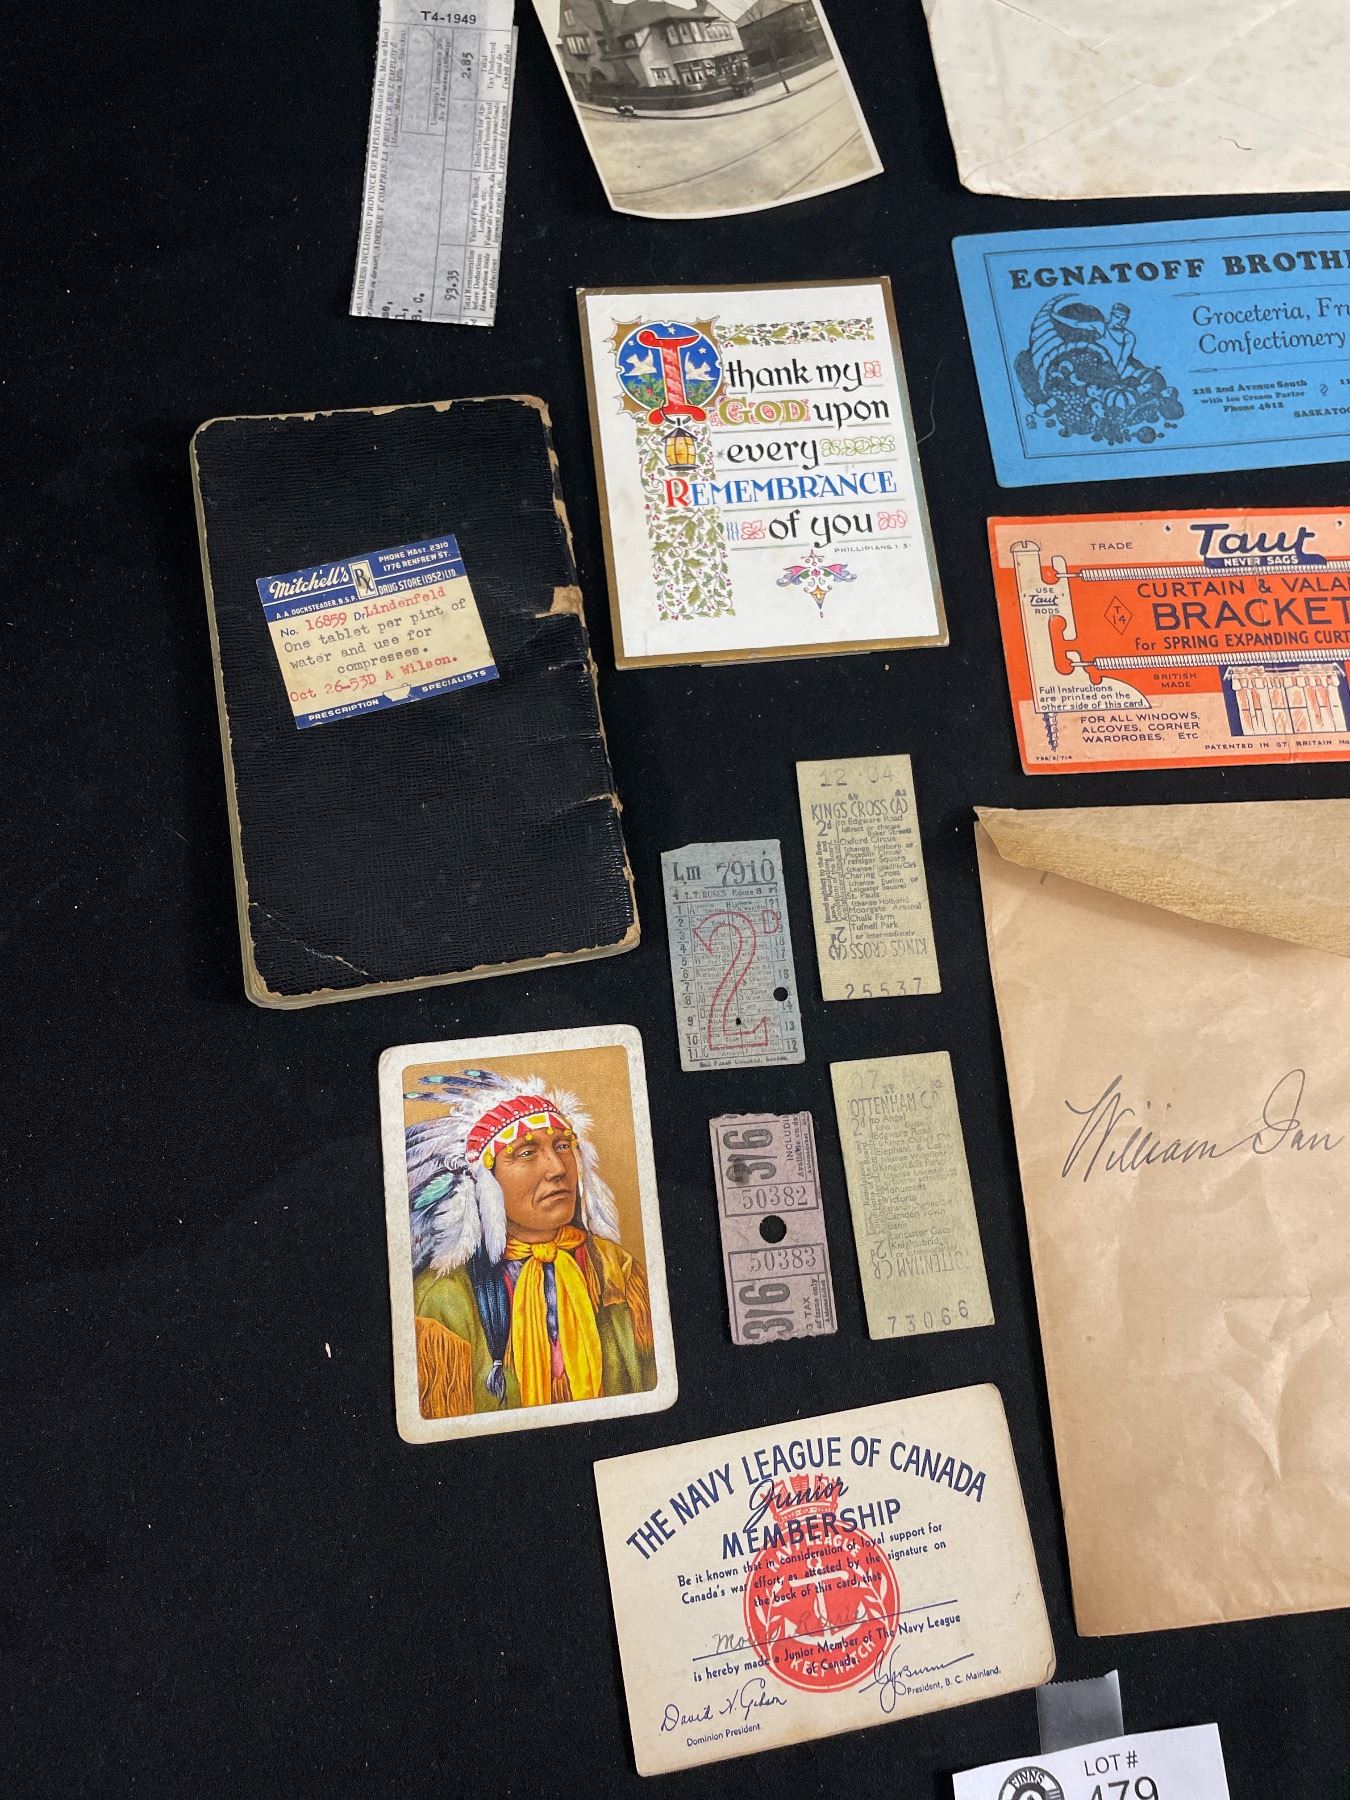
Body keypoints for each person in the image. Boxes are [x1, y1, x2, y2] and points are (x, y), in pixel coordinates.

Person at [402, 1067, 656, 1416]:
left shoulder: (618, 1272)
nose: (557, 1168)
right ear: (482, 1182)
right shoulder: (444, 1299)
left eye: (563, 1146)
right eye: (525, 1152)